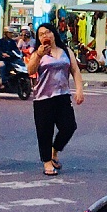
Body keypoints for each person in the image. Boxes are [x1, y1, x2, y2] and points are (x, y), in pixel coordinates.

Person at [26, 23, 84, 176]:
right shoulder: (37, 53)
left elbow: (75, 71)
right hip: (43, 98)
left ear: (54, 34)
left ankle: (55, 150)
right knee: (45, 131)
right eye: (41, 34)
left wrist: (79, 90)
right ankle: (47, 162)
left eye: (48, 32)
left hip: (63, 95)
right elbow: (30, 71)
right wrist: (39, 55)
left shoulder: (65, 51)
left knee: (69, 126)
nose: (45, 36)